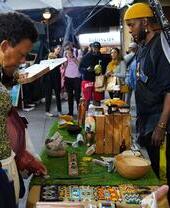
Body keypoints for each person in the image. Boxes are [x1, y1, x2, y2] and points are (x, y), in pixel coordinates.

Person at [124, 2, 170, 202]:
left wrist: (161, 125)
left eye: (132, 25)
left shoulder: (161, 47)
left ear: (145, 22)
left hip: (158, 123)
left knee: (161, 176)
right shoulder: (143, 48)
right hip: (145, 120)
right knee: (152, 172)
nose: (130, 30)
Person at [0, 12, 47, 206]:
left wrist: (20, 155)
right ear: (4, 46)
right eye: (21, 54)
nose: (23, 61)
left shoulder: (4, 74)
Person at [79, 41, 107, 108]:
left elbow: (105, 68)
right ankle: (85, 116)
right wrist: (86, 70)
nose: (96, 49)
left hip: (98, 81)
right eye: (94, 47)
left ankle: (97, 115)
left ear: (99, 48)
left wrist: (102, 71)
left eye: (97, 48)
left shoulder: (102, 57)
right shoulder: (86, 57)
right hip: (87, 80)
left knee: (97, 99)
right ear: (91, 47)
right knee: (86, 99)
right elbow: (80, 69)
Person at [44, 45, 62, 117]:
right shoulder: (48, 55)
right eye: (58, 49)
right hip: (48, 78)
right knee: (48, 95)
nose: (59, 50)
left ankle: (59, 111)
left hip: (56, 78)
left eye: (60, 49)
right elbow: (43, 64)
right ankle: (47, 111)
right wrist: (49, 58)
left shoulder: (60, 57)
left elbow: (61, 66)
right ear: (54, 49)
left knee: (58, 95)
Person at [64, 48, 81, 116]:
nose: (68, 54)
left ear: (72, 52)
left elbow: (80, 65)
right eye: (67, 53)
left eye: (69, 53)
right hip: (68, 77)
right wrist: (66, 61)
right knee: (70, 96)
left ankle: (79, 112)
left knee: (77, 96)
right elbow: (65, 67)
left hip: (76, 78)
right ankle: (70, 112)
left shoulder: (78, 55)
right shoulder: (65, 57)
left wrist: (74, 59)